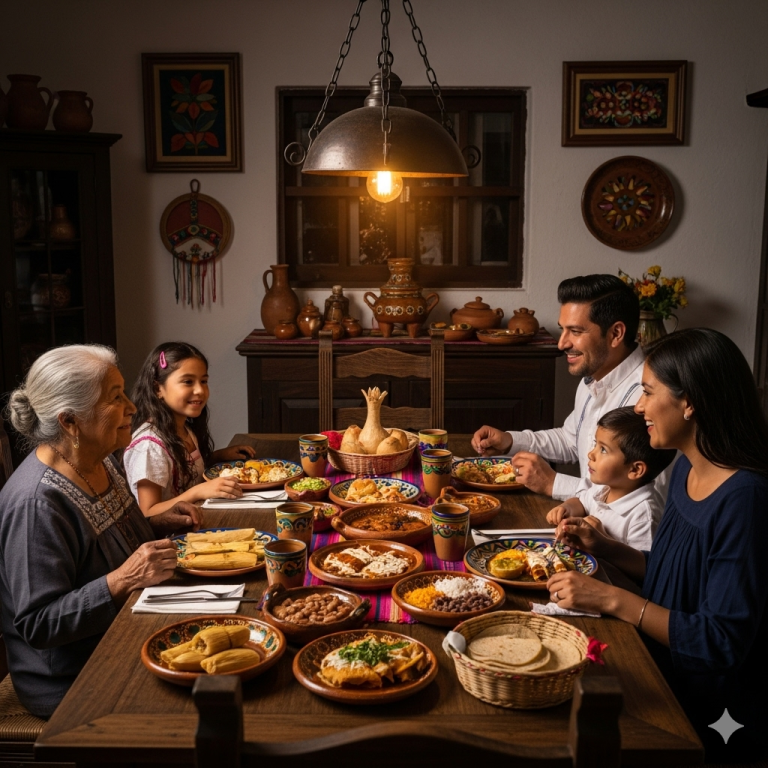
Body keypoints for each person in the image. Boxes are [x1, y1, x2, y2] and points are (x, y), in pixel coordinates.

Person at [548, 329, 768, 762]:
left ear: (690, 403)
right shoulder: (688, 468)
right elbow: (676, 576)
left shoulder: (745, 500)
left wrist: (613, 599)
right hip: (655, 659)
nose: (638, 406)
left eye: (648, 392)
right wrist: (607, 547)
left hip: (702, 707)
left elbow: (719, 639)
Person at [0, 345, 203, 717]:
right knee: (215, 696)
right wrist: (122, 580)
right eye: (115, 398)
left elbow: (98, 538)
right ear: (70, 422)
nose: (131, 407)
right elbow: (38, 623)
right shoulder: (36, 503)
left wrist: (157, 521)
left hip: (129, 627)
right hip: (75, 676)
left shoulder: (98, 459)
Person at [472, 274, 650, 500]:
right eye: (563, 329)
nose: (562, 343)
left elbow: (636, 501)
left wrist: (553, 483)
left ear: (616, 333)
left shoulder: (649, 396)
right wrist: (510, 441)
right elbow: (571, 440)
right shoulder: (594, 375)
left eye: (575, 331)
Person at [123, 342, 256, 516]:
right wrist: (198, 492)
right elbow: (148, 511)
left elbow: (188, 472)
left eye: (204, 381)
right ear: (158, 389)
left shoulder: (184, 428)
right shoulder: (149, 446)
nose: (200, 390)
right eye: (188, 382)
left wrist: (217, 456)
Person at [546, 407, 675, 549]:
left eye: (603, 449)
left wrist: (603, 539)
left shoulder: (643, 517)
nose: (591, 454)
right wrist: (566, 508)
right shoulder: (604, 489)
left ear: (635, 469)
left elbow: (642, 566)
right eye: (596, 444)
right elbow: (582, 502)